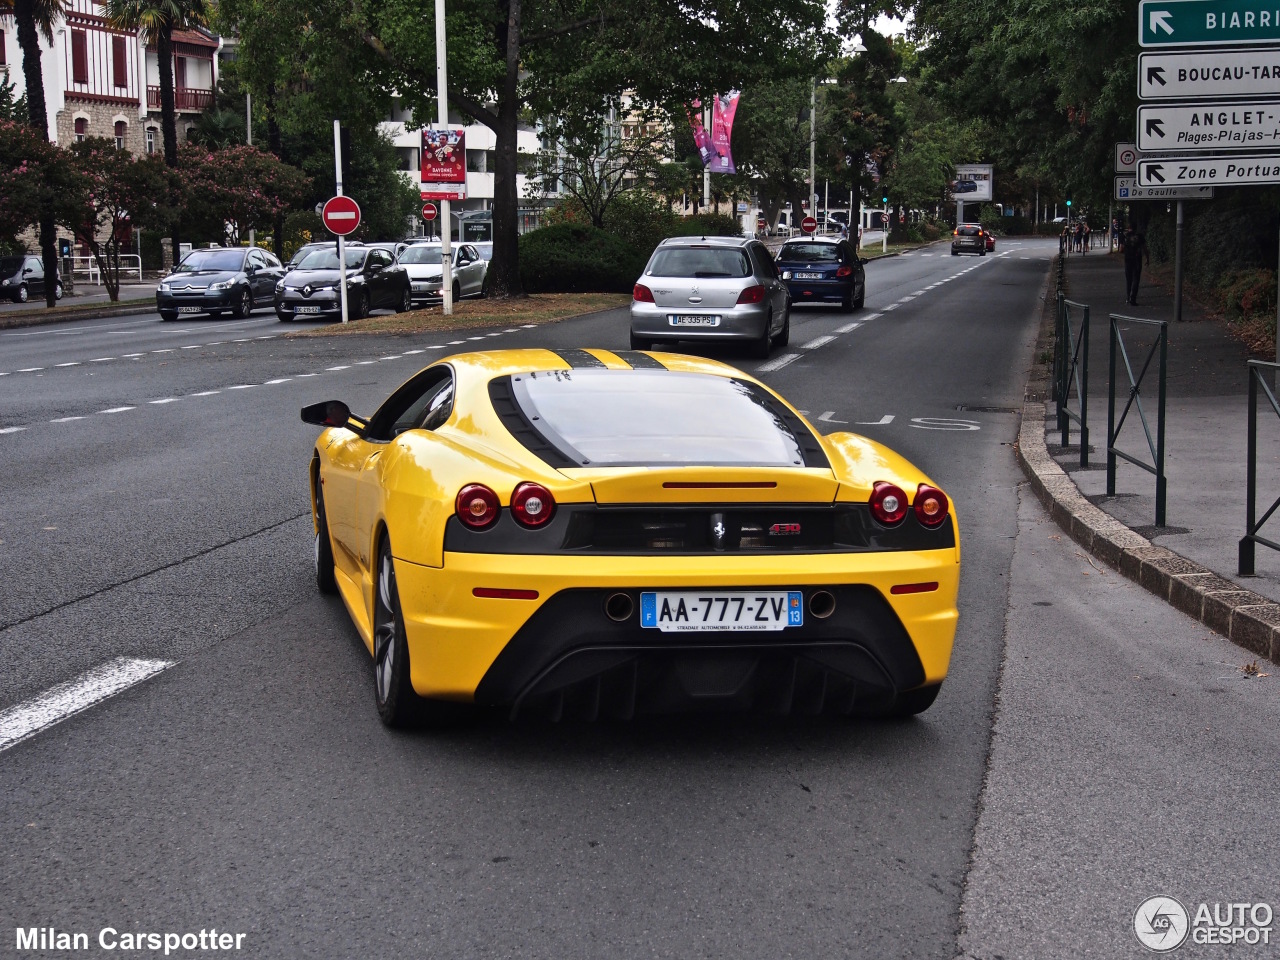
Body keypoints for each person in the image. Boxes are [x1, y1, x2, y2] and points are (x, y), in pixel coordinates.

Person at [1122, 227, 1149, 305]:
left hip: (1128, 259)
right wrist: (1147, 258)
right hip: (1137, 259)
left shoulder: (1126, 236)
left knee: (1128, 279)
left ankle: (1128, 297)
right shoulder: (1140, 236)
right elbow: (1145, 248)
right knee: (1136, 279)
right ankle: (1133, 298)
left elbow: (1121, 249)